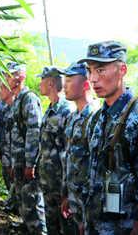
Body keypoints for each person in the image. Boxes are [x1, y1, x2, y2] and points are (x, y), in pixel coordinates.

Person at [79, 41, 138, 235]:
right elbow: (93, 173)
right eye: (89, 71)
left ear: (122, 70)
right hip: (99, 224)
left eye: (101, 70)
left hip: (127, 227)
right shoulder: (98, 117)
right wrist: (87, 220)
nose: (93, 78)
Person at [6, 62, 47, 234]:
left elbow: (34, 131)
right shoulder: (17, 99)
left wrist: (31, 163)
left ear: (20, 77)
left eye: (10, 75)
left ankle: (38, 231)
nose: (6, 78)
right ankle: (27, 225)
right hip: (19, 157)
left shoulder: (29, 98)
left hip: (26, 159)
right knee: (22, 196)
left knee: (32, 197)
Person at [59, 62, 97, 235]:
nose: (64, 85)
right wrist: (67, 194)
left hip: (89, 206)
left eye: (69, 80)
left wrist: (86, 215)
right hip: (75, 200)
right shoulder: (73, 117)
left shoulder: (94, 117)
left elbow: (95, 169)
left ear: (85, 85)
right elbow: (70, 159)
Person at [36, 66, 73, 234]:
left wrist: (66, 190)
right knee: (51, 226)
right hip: (48, 182)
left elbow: (68, 153)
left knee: (66, 227)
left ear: (50, 83)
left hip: (60, 185)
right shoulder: (50, 109)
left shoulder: (66, 111)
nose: (39, 85)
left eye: (41, 81)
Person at [0, 80, 18, 211]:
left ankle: (16, 205)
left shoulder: (17, 104)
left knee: (15, 177)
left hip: (14, 149)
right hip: (4, 146)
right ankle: (13, 203)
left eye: (2, 88)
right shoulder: (2, 104)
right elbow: (0, 125)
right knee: (6, 175)